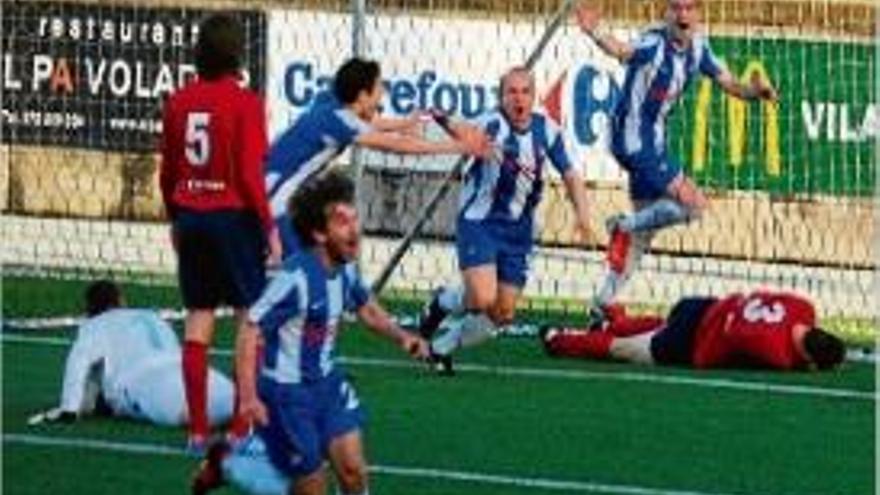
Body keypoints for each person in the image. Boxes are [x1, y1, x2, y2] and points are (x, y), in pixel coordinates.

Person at [191, 171, 428, 495]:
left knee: (354, 473)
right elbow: (250, 329)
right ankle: (230, 462)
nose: (354, 231)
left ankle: (239, 456)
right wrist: (247, 396)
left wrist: (403, 337)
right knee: (311, 489)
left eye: (354, 220)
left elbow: (366, 308)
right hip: (287, 397)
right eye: (342, 222)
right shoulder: (294, 279)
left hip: (328, 386)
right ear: (318, 233)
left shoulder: (346, 270)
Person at [574, 0, 779, 324]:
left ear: (698, 13)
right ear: (666, 13)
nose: (683, 15)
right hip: (633, 141)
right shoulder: (654, 43)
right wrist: (595, 31)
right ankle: (620, 226)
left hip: (652, 143)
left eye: (690, 8)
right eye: (676, 8)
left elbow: (729, 83)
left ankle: (601, 304)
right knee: (694, 204)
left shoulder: (699, 47)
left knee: (644, 235)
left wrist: (756, 92)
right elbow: (623, 52)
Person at [417, 66, 593, 375]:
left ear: (534, 95)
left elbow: (570, 174)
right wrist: (443, 119)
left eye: (525, 91)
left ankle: (441, 347)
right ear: (501, 97)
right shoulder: (492, 123)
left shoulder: (547, 130)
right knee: (483, 298)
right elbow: (466, 133)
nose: (519, 98)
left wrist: (583, 215)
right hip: (480, 223)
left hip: (519, 232)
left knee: (502, 313)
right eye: (511, 92)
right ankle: (442, 303)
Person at [159, 13, 281, 451]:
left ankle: (196, 432)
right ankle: (240, 427)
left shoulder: (178, 101)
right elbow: (251, 175)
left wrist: (175, 219)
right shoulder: (246, 103)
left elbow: (168, 171)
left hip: (190, 216)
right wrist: (269, 228)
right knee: (249, 320)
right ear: (237, 53)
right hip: (233, 219)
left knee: (198, 318)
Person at [265, 56, 492, 256]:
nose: (381, 96)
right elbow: (395, 145)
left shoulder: (328, 103)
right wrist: (460, 147)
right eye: (378, 90)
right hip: (273, 205)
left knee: (302, 270)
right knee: (304, 272)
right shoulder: (341, 122)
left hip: (263, 194)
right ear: (362, 95)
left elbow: (369, 123)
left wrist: (403, 124)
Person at [27, 280, 234, 428]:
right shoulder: (152, 316)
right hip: (191, 371)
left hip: (145, 384)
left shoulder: (94, 325)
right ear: (121, 300)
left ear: (89, 310)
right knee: (233, 402)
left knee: (192, 416)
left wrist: (69, 408)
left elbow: (79, 360)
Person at [541, 290, 846, 371]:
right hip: (688, 343)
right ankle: (559, 340)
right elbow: (738, 339)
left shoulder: (804, 308)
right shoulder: (778, 354)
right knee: (620, 349)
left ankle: (613, 320)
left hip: (700, 306)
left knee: (660, 324)